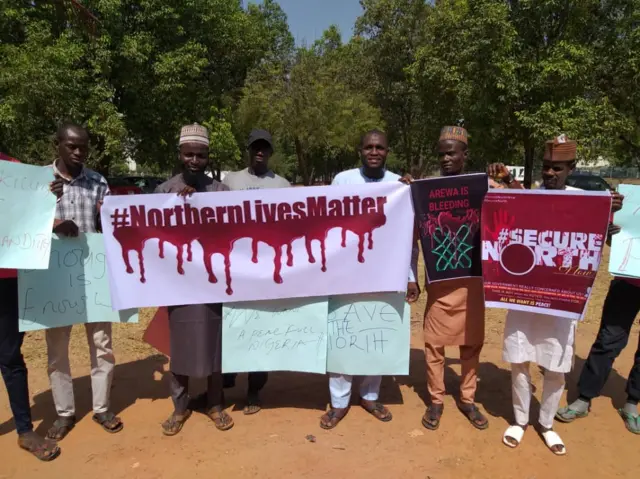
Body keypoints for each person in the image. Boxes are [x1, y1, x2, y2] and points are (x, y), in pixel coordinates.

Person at [491, 135, 598, 455]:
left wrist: (609, 217)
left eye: (558, 168)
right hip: (525, 296)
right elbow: (507, 217)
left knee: (556, 366)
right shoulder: (530, 196)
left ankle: (547, 423)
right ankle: (521, 420)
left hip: (561, 301)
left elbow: (599, 238)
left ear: (572, 168)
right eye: (547, 167)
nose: (551, 173)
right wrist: (507, 184)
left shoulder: (586, 201)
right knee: (520, 360)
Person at [319, 129, 420, 429]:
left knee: (378, 334)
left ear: (387, 151)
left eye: (379, 147)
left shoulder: (399, 185)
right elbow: (327, 224)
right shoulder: (342, 180)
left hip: (385, 274)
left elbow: (407, 237)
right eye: (368, 147)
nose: (374, 152)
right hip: (346, 274)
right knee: (342, 335)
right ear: (360, 150)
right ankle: (338, 403)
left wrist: (410, 276)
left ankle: (370, 395)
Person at [45, 123, 122, 441]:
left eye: (83, 147)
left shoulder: (98, 182)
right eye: (72, 146)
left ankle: (102, 407)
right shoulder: (40, 184)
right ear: (59, 145)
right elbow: (22, 224)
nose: (78, 152)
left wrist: (110, 214)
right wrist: (53, 219)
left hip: (94, 276)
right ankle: (64, 413)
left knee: (102, 344)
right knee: (57, 349)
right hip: (55, 280)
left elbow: (115, 226)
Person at [156, 123, 234, 435]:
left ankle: (215, 403)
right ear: (180, 154)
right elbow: (154, 232)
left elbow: (229, 232)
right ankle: (180, 406)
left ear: (207, 157)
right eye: (189, 154)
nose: (194, 160)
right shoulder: (164, 190)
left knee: (215, 345)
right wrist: (177, 203)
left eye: (200, 155)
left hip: (213, 279)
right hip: (178, 282)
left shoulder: (220, 191)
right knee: (180, 346)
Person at [420, 126, 488, 432]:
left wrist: (507, 181)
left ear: (465, 155)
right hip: (440, 281)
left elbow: (515, 206)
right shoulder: (425, 190)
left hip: (472, 279)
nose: (446, 158)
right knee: (434, 344)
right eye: (442, 154)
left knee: (470, 344)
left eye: (452, 153)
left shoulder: (483, 188)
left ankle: (467, 399)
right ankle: (436, 400)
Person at [219, 129, 290, 415]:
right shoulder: (231, 181)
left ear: (271, 152)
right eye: (255, 147)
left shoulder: (282, 185)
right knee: (234, 326)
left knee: (260, 328)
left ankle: (254, 390)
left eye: (265, 148)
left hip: (265, 271)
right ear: (247, 150)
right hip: (235, 270)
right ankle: (226, 381)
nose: (260, 152)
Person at [0, 155, 60, 461]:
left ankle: (24, 430)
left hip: (7, 279)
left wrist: (48, 201)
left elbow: (32, 216)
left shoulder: (14, 170)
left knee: (9, 355)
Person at [556, 214, 639, 435]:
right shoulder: (632, 205)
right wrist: (612, 235)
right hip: (627, 280)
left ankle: (632, 401)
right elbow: (618, 239)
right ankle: (584, 398)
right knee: (609, 340)